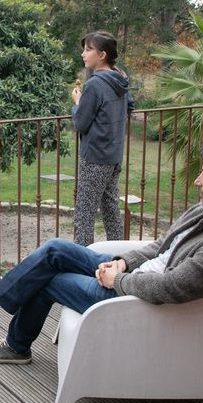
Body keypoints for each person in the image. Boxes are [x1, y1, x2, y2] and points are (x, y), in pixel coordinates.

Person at [0, 139, 203, 364]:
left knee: (48, 279)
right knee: (55, 250)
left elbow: (170, 287)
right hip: (132, 277)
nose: (197, 181)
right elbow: (161, 248)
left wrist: (116, 280)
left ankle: (16, 346)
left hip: (136, 301)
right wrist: (122, 261)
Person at [71, 31, 134, 246]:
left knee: (84, 216)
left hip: (96, 157)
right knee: (110, 210)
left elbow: (80, 123)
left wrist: (77, 103)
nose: (83, 54)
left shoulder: (96, 84)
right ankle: (119, 258)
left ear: (102, 54)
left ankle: (82, 264)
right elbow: (130, 105)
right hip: (114, 155)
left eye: (88, 49)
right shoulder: (121, 78)